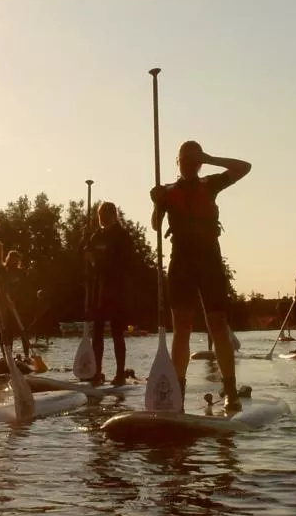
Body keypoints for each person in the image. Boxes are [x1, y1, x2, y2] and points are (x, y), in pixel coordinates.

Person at [150, 140, 251, 405]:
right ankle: (178, 393)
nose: (190, 164)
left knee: (217, 325)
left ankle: (230, 391)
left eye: (195, 160)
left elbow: (244, 167)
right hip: (181, 263)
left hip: (209, 262)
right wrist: (155, 203)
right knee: (181, 328)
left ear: (199, 162)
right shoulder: (168, 192)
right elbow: (155, 226)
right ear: (178, 161)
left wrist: (209, 158)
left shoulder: (210, 184)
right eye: (185, 159)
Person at [84, 201, 133, 384]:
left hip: (116, 288)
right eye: (99, 214)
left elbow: (123, 263)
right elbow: (85, 255)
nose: (101, 218)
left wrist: (97, 262)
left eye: (104, 214)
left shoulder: (122, 235)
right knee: (97, 331)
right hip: (99, 289)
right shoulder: (96, 235)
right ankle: (96, 372)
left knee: (116, 331)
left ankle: (120, 373)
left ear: (113, 215)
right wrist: (86, 243)